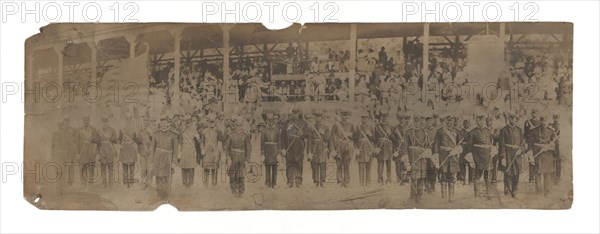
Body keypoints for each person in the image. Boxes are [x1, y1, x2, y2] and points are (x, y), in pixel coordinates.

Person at [432, 116, 462, 202]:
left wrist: (457, 149)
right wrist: (436, 156)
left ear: (453, 122)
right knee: (443, 176)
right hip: (442, 155)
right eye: (448, 122)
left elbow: (461, 143)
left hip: (453, 156)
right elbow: (436, 145)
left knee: (452, 176)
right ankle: (443, 198)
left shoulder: (457, 131)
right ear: (445, 122)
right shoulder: (440, 131)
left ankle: (451, 198)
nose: (449, 124)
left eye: (451, 122)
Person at [401, 116, 430, 202]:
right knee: (413, 176)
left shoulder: (425, 132)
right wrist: (406, 160)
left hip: (422, 158)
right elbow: (405, 147)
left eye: (419, 122)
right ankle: (413, 195)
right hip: (412, 157)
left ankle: (420, 195)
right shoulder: (408, 133)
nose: (417, 123)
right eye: (415, 122)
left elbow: (428, 146)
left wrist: (426, 153)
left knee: (421, 176)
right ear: (413, 122)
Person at [498, 113, 525, 198]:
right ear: (509, 119)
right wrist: (503, 157)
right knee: (508, 172)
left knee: (516, 173)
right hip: (507, 153)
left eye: (515, 119)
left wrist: (521, 150)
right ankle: (507, 191)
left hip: (517, 154)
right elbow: (501, 145)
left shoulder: (519, 130)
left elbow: (523, 144)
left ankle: (515, 190)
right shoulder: (503, 130)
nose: (513, 120)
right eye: (511, 118)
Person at [467, 115, 494, 198]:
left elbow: (491, 143)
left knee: (488, 175)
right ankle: (477, 194)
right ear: (476, 121)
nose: (480, 122)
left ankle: (488, 193)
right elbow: (469, 147)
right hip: (477, 156)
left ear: (484, 121)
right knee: (477, 175)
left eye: (482, 120)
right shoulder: (472, 132)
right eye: (479, 120)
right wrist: (471, 159)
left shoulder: (488, 131)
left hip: (487, 155)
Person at [151, 118, 180, 199]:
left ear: (168, 123)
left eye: (165, 122)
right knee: (158, 176)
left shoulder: (173, 134)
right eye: (162, 122)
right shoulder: (155, 134)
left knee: (167, 177)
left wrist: (174, 161)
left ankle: (166, 194)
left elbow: (175, 149)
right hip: (158, 158)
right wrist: (152, 161)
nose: (163, 124)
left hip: (168, 158)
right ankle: (159, 195)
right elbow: (152, 148)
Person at [223, 118, 251, 197]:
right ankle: (233, 191)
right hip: (233, 158)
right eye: (237, 126)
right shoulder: (231, 135)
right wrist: (228, 157)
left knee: (241, 175)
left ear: (242, 126)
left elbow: (248, 147)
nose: (238, 127)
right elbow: (227, 147)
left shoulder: (245, 136)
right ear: (234, 126)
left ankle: (241, 191)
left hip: (242, 158)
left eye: (240, 126)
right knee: (232, 175)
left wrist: (247, 158)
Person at [531, 116, 558, 197]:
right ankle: (538, 192)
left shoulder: (551, 131)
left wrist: (549, 146)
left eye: (546, 120)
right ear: (540, 121)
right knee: (538, 173)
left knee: (547, 173)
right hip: (538, 152)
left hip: (547, 153)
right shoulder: (534, 130)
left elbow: (555, 143)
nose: (544, 122)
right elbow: (531, 143)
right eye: (543, 120)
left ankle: (547, 192)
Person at [330, 110, 355, 187]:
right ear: (340, 116)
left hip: (347, 146)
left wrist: (350, 135)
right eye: (342, 115)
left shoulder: (351, 125)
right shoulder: (336, 125)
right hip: (338, 146)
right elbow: (331, 138)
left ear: (348, 116)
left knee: (347, 164)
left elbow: (354, 137)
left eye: (345, 115)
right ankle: (339, 181)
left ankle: (347, 181)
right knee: (339, 164)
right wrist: (332, 149)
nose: (344, 117)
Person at [283, 108, 307, 188]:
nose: (294, 115)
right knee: (289, 163)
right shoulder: (287, 123)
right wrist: (283, 148)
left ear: (298, 113)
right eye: (293, 113)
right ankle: (289, 181)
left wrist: (302, 134)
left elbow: (308, 135)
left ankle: (298, 181)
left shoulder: (303, 123)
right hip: (289, 146)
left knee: (299, 163)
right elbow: (282, 136)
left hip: (299, 146)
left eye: (296, 113)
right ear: (291, 114)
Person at [306, 111, 330, 187]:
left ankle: (322, 181)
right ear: (315, 118)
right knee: (315, 164)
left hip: (322, 147)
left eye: (319, 117)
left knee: (323, 164)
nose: (317, 118)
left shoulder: (326, 127)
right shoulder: (311, 128)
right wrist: (309, 152)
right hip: (314, 147)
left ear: (321, 117)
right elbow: (309, 140)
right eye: (316, 117)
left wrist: (323, 133)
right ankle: (316, 181)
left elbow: (327, 139)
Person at [199, 114, 224, 188]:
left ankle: (214, 184)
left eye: (213, 122)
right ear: (208, 122)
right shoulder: (204, 131)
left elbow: (222, 139)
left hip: (214, 152)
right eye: (210, 122)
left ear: (215, 122)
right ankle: (205, 184)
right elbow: (201, 142)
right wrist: (202, 149)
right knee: (206, 168)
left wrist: (222, 129)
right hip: (207, 151)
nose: (211, 123)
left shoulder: (217, 131)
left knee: (215, 168)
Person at [260, 113, 283, 188]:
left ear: (273, 121)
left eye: (271, 121)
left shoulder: (277, 130)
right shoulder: (264, 130)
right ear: (267, 121)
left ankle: (274, 182)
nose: (270, 122)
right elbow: (262, 142)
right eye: (268, 121)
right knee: (267, 166)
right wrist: (262, 153)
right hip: (267, 150)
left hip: (274, 150)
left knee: (274, 166)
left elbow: (279, 141)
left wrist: (279, 152)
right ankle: (267, 182)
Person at [178, 115, 200, 189]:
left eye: (189, 122)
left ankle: (191, 184)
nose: (187, 124)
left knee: (191, 167)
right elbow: (180, 142)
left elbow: (198, 142)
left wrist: (197, 137)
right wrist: (179, 151)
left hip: (191, 150)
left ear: (191, 123)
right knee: (183, 167)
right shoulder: (182, 131)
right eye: (186, 122)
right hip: (184, 149)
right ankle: (184, 184)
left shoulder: (194, 131)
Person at [77, 115, 99, 187]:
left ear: (89, 121)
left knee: (91, 167)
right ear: (83, 121)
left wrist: (91, 139)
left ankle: (91, 183)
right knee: (83, 167)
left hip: (90, 150)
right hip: (82, 150)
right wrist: (77, 153)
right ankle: (83, 183)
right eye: (84, 120)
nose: (86, 122)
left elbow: (97, 140)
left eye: (87, 120)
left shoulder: (93, 129)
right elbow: (77, 142)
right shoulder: (79, 130)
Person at [119, 113, 140, 189]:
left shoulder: (135, 129)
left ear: (131, 120)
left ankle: (130, 182)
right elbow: (119, 139)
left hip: (131, 148)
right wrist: (120, 145)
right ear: (125, 120)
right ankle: (125, 182)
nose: (128, 121)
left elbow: (137, 139)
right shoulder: (122, 129)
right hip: (124, 148)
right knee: (124, 166)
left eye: (129, 120)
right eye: (127, 120)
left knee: (132, 166)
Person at [98, 116, 118, 189]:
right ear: (102, 122)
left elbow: (116, 140)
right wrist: (98, 153)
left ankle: (111, 184)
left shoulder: (112, 130)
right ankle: (104, 184)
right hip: (102, 151)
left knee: (110, 168)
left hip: (110, 151)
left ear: (108, 122)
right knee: (103, 169)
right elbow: (97, 142)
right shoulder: (99, 130)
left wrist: (110, 138)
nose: (105, 123)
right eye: (103, 122)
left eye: (106, 122)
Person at [354, 113, 374, 187]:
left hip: (368, 148)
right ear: (361, 119)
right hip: (361, 149)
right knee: (361, 166)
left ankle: (368, 182)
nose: (364, 120)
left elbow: (374, 140)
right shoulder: (358, 127)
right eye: (363, 118)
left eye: (366, 118)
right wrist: (355, 148)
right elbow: (354, 139)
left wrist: (370, 135)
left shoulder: (371, 127)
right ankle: (361, 183)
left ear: (368, 119)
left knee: (368, 167)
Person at [374, 113, 394, 185]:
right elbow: (374, 138)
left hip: (388, 148)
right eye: (382, 117)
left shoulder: (390, 126)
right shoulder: (377, 127)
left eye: (385, 117)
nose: (384, 118)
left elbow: (394, 139)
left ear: (387, 118)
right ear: (380, 118)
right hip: (380, 147)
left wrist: (390, 133)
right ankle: (380, 179)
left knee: (388, 165)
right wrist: (376, 147)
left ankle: (388, 179)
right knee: (380, 164)